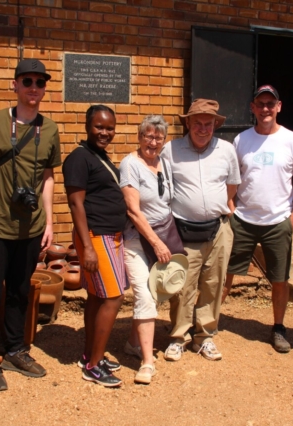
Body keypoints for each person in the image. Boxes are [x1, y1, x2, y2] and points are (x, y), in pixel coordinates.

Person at [0, 59, 59, 391]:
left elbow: (48, 176)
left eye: (40, 83)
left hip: (30, 227)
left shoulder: (49, 129)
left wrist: (49, 221)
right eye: (28, 81)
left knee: (20, 291)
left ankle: (16, 349)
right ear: (15, 85)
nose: (34, 88)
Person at [222, 85, 293, 353]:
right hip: (243, 219)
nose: (265, 109)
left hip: (278, 220)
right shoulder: (242, 140)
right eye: (260, 104)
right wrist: (230, 205)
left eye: (270, 104)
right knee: (225, 272)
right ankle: (208, 321)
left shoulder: (292, 140)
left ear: (279, 107)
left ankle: (279, 327)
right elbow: (233, 177)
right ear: (252, 107)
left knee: (279, 278)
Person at [161, 99, 241, 361]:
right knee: (182, 285)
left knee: (213, 283)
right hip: (183, 229)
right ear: (188, 123)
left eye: (209, 124)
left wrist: (219, 206)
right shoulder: (170, 150)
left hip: (218, 230)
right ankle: (178, 337)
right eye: (198, 123)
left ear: (215, 125)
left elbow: (232, 185)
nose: (203, 129)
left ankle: (204, 336)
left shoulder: (226, 150)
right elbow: (165, 189)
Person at [63, 105, 128, 387]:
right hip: (96, 237)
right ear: (88, 126)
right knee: (113, 297)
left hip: (108, 236)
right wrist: (87, 247)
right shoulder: (78, 158)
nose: (105, 132)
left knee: (97, 297)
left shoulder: (97, 156)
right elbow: (76, 203)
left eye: (110, 128)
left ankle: (91, 355)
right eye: (99, 127)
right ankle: (93, 367)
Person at [119, 115, 174, 384]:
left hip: (162, 235)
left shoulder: (164, 163)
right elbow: (133, 210)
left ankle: (132, 343)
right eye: (148, 136)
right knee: (145, 294)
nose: (153, 142)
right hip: (137, 241)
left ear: (164, 140)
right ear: (139, 137)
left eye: (158, 137)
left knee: (154, 292)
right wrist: (156, 242)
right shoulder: (130, 165)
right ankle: (147, 361)